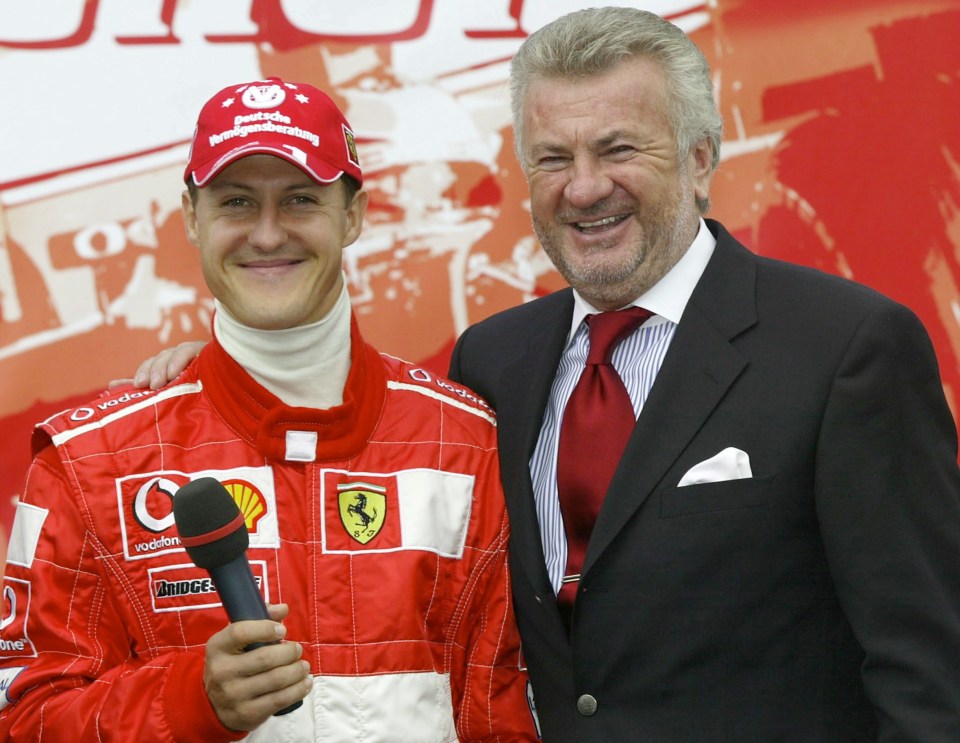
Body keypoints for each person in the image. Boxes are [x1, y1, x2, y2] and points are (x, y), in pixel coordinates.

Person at [113, 7, 960, 742]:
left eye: (618, 147)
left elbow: (928, 667)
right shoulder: (493, 360)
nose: (584, 187)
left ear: (701, 158)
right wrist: (225, 373)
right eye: (552, 158)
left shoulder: (846, 346)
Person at [0, 77, 538, 742]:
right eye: (236, 202)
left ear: (354, 214)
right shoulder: (90, 460)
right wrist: (187, 699)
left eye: (301, 200)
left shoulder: (463, 440)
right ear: (192, 217)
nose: (266, 233)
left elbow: (499, 710)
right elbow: (25, 718)